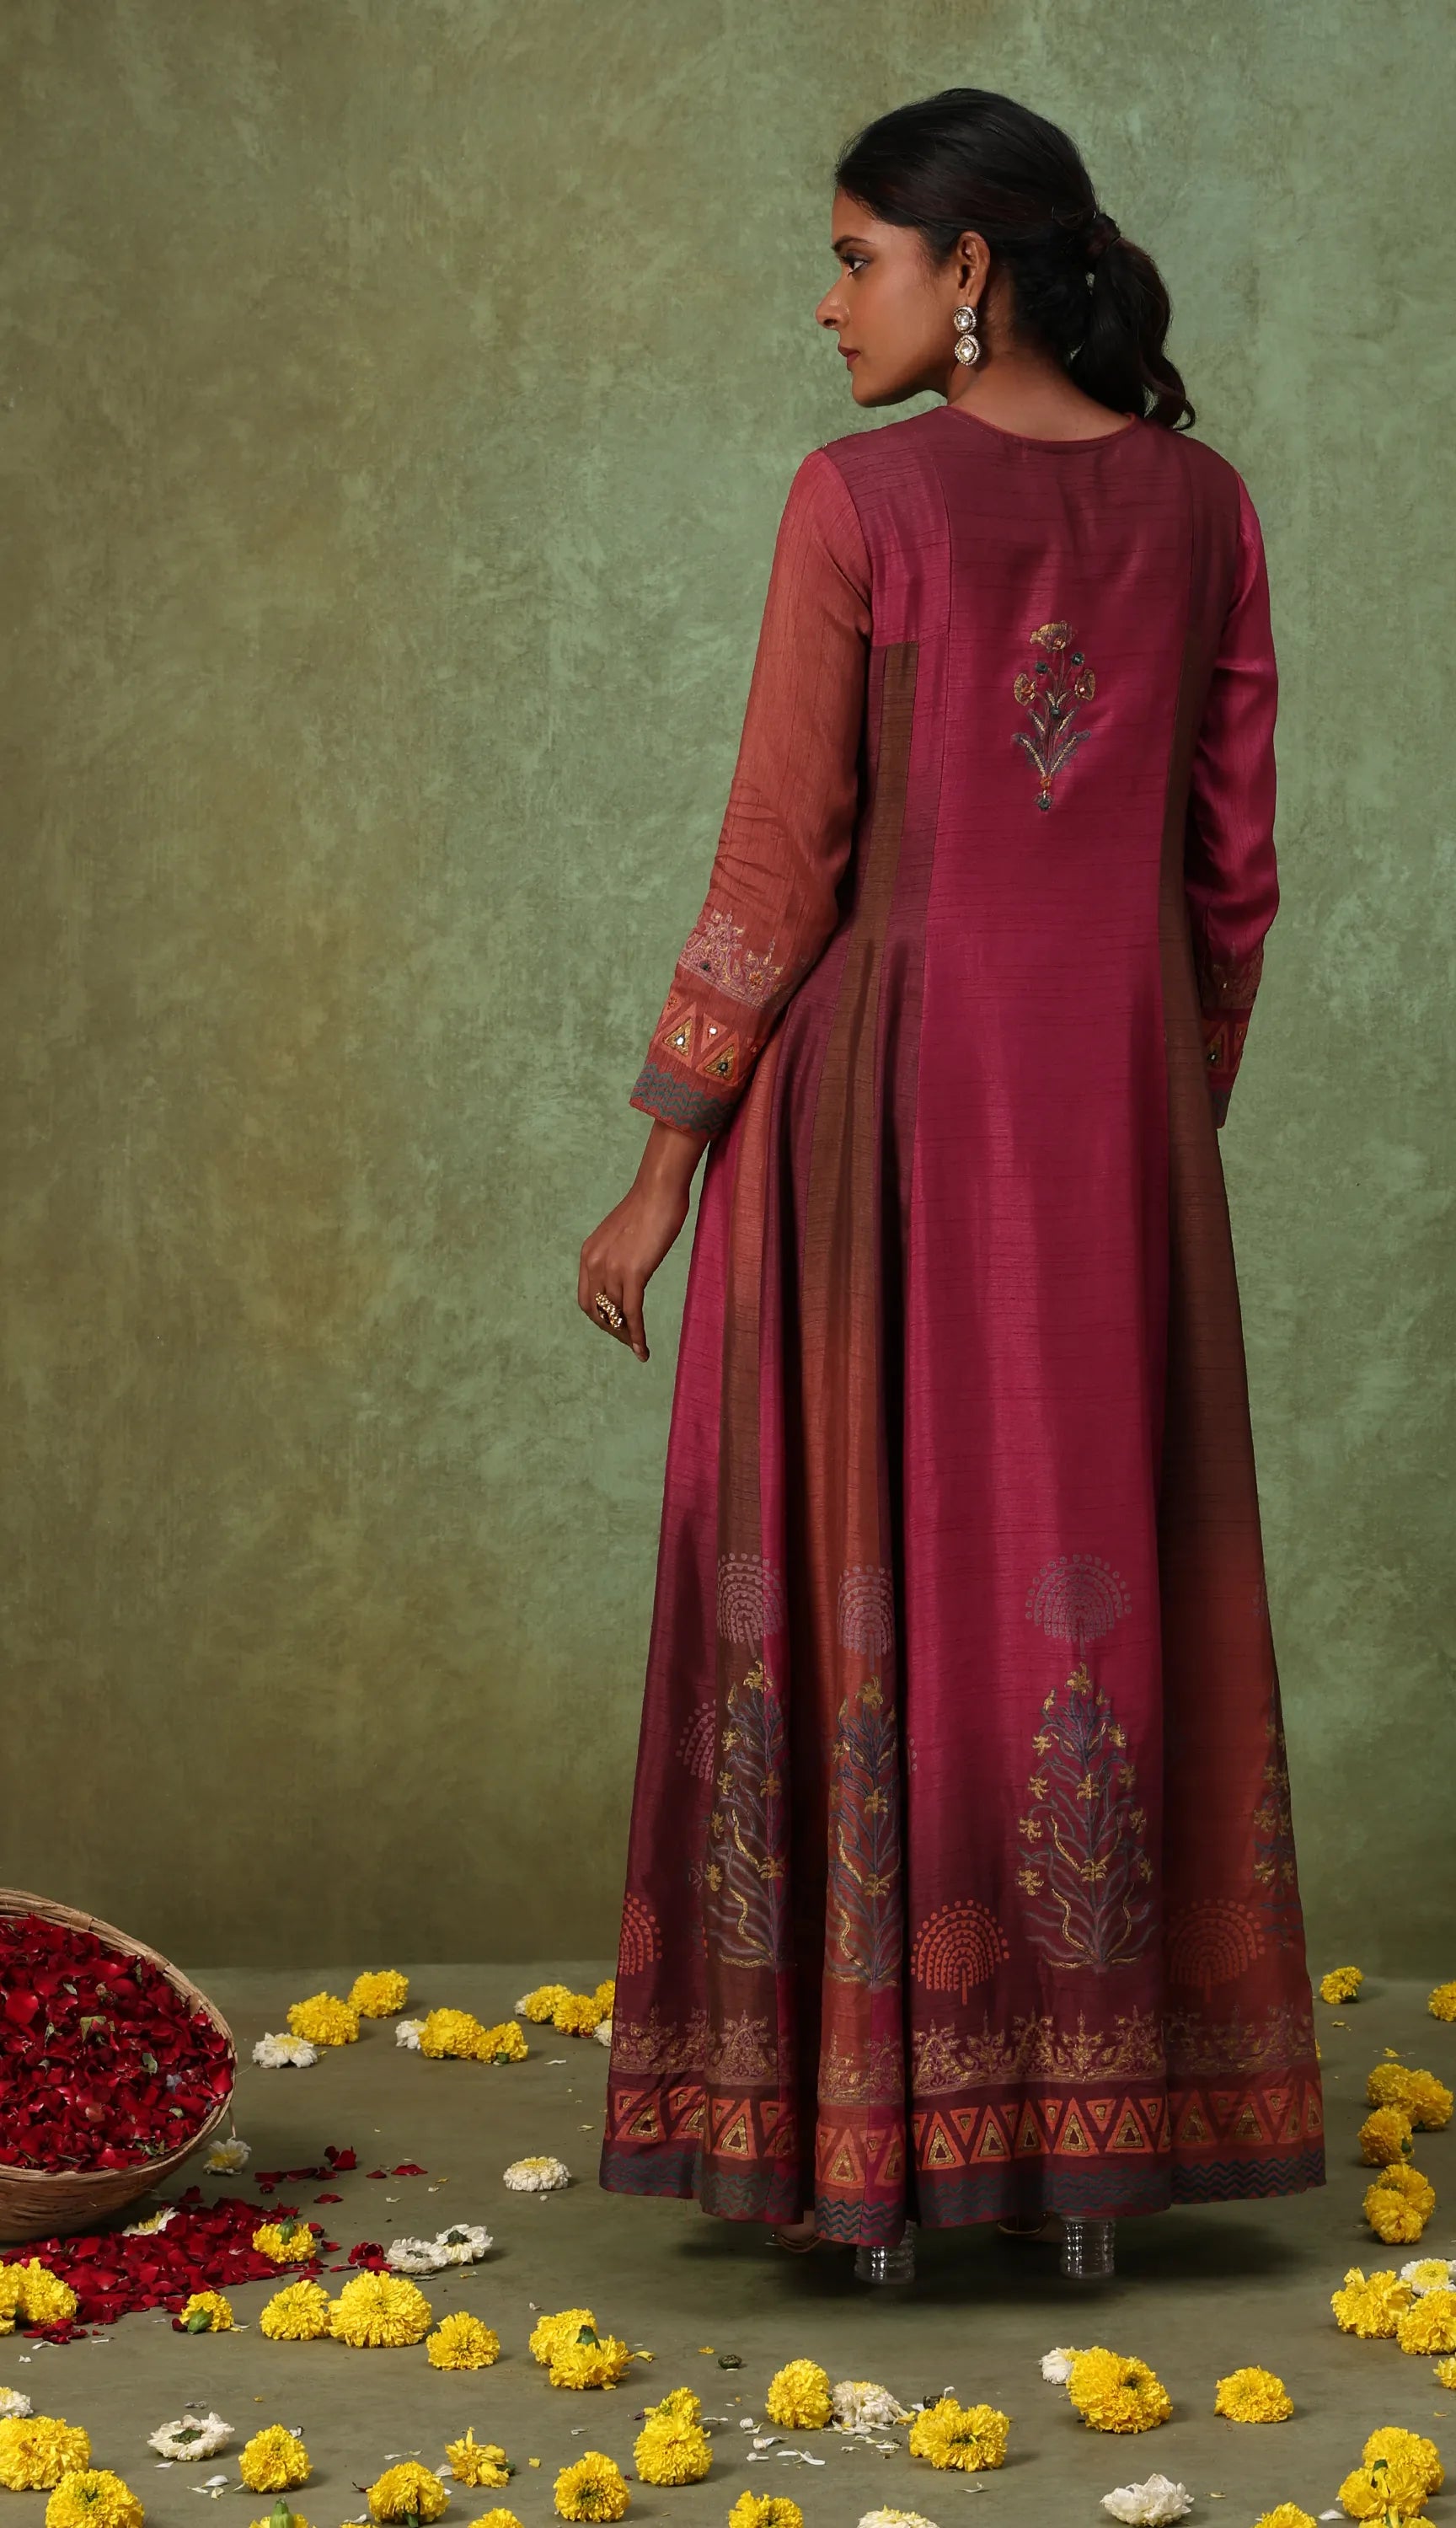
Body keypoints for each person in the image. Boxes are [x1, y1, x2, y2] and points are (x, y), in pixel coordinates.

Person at [578, 87, 1324, 2273]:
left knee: (876, 1581)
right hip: (1112, 1144)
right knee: (1075, 1590)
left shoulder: (860, 505)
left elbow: (779, 857)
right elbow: (1233, 882)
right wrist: (1148, 1127)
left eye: (853, 260)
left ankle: (873, 2160)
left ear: (965, 267)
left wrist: (661, 1170)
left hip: (873, 1129)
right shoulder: (1206, 509)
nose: (827, 308)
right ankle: (1086, 2169)